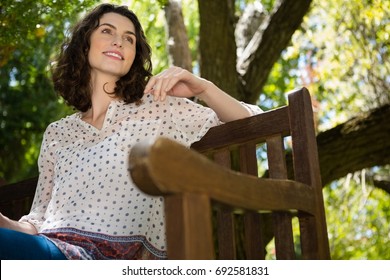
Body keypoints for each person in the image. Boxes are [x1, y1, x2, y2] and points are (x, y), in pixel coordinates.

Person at [0, 3, 262, 260]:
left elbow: (255, 123)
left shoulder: (158, 109)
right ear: (85, 44)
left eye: (129, 38)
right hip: (51, 249)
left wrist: (203, 88)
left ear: (134, 55)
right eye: (107, 31)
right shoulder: (58, 132)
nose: (119, 42)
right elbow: (38, 220)